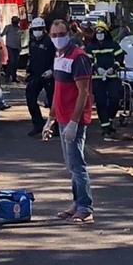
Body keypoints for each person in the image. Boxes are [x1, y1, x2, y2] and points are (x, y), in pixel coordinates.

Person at [49, 19, 94, 223]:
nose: (58, 38)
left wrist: (75, 122)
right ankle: (77, 204)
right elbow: (59, 90)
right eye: (54, 35)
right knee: (71, 166)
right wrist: (50, 118)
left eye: (61, 34)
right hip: (62, 117)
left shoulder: (79, 57)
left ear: (69, 34)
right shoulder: (59, 56)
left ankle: (85, 208)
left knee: (77, 165)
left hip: (73, 119)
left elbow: (83, 92)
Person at [86, 22, 125, 139]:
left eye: (101, 32)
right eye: (97, 32)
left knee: (115, 99)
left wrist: (113, 68)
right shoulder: (91, 46)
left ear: (106, 33)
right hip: (97, 79)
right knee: (101, 102)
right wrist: (96, 68)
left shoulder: (113, 45)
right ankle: (105, 127)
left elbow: (120, 57)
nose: (99, 34)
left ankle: (109, 119)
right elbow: (88, 61)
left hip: (111, 77)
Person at [25, 17, 56, 137]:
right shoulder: (32, 42)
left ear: (44, 29)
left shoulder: (50, 42)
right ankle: (38, 124)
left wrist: (52, 70)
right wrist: (28, 72)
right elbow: (31, 58)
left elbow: (57, 57)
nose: (37, 31)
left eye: (39, 29)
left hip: (49, 76)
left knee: (53, 101)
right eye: (35, 29)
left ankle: (56, 126)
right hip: (36, 75)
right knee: (30, 98)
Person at [2, 16, 23, 83]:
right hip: (10, 47)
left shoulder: (19, 29)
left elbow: (19, 39)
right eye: (14, 21)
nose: (15, 23)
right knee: (12, 62)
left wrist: (20, 47)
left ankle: (14, 77)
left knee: (15, 63)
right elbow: (2, 34)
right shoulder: (8, 27)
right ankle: (7, 77)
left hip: (16, 48)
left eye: (16, 22)